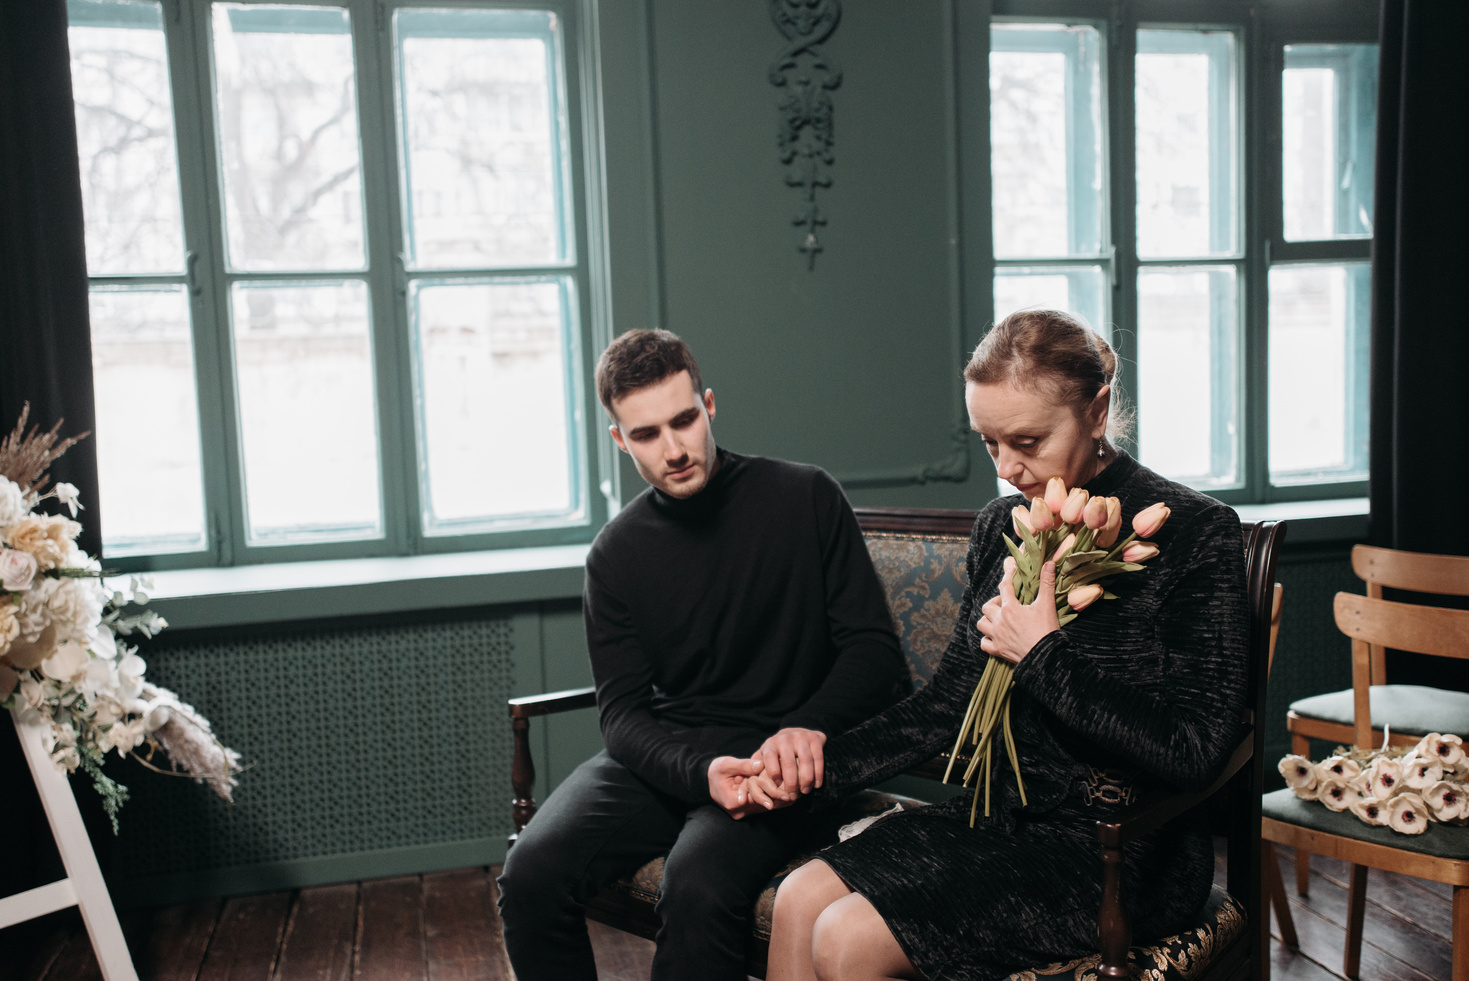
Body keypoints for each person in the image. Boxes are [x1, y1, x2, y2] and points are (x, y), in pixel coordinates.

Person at [756, 309, 1250, 981]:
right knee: (797, 898)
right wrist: (802, 773)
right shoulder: (1002, 526)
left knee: (846, 939)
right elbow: (944, 706)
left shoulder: (1195, 532)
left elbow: (1194, 750)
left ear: (1096, 409)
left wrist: (1043, 653)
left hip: (1125, 847)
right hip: (1003, 820)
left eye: (1026, 440)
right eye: (988, 442)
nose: (1007, 466)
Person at [497, 329, 906, 981]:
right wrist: (699, 770)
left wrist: (803, 730)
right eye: (647, 433)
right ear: (619, 440)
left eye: (684, 420)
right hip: (675, 754)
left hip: (782, 759)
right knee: (530, 873)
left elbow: (874, 655)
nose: (674, 448)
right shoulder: (615, 553)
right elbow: (624, 714)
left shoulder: (804, 496)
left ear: (708, 404)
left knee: (695, 884)